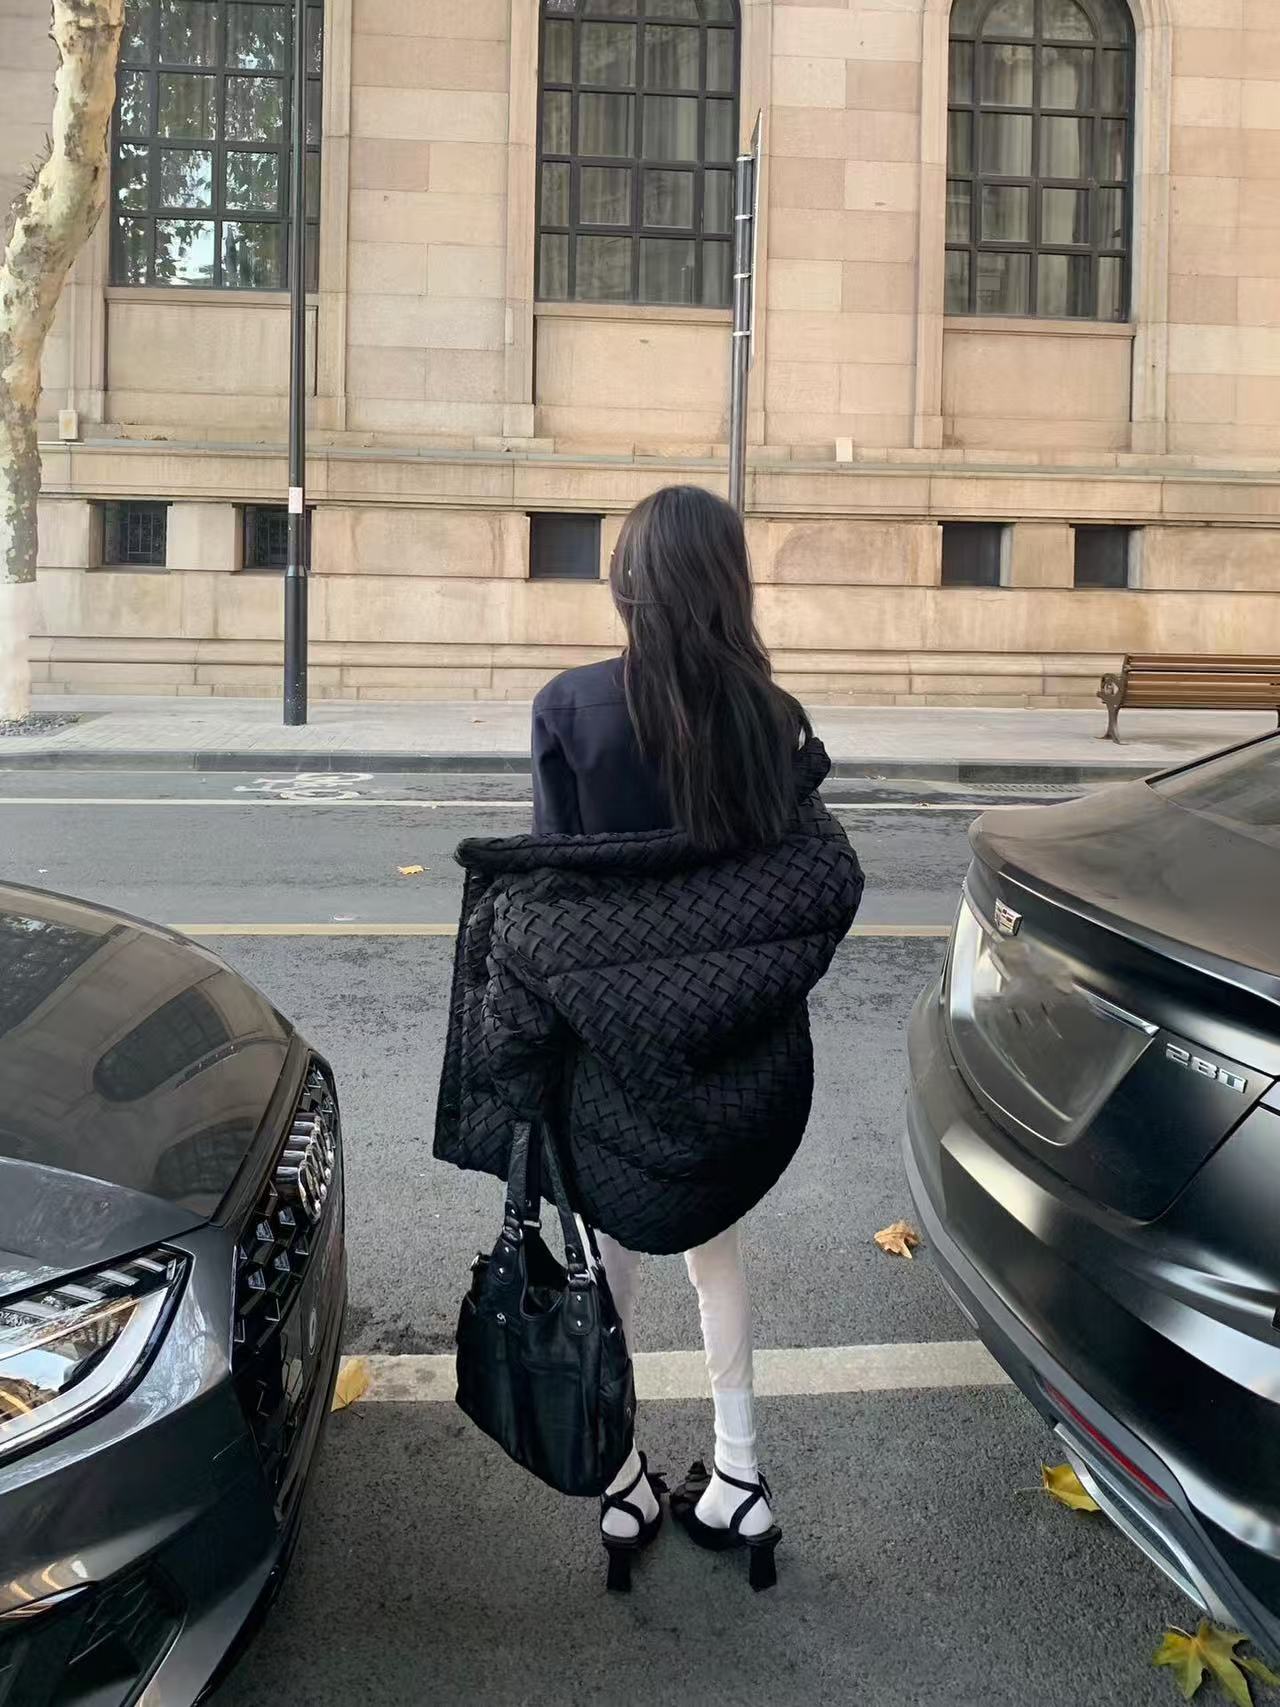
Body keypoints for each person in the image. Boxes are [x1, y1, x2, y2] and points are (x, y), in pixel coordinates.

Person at [434, 484, 863, 1593]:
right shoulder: (772, 718)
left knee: (604, 1258)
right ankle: (741, 1476)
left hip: (607, 1049)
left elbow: (554, 894)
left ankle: (620, 1482)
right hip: (726, 1046)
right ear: (729, 583)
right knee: (715, 1253)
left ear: (629, 579)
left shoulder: (569, 708)